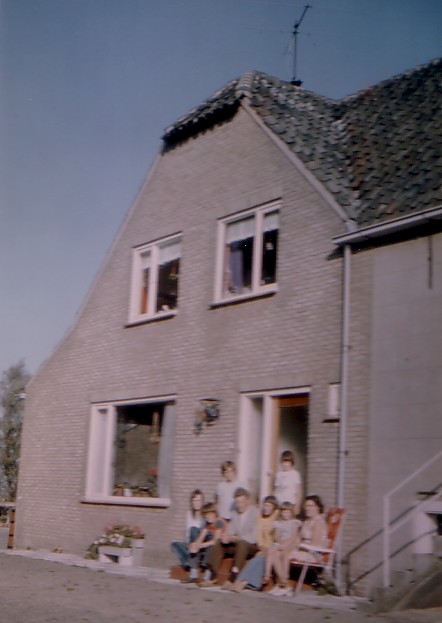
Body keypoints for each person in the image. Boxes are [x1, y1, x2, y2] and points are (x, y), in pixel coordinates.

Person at [200, 487, 258, 588]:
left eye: (241, 502)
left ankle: (232, 578)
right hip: (238, 545)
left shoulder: (255, 513)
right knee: (219, 542)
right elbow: (230, 530)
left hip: (251, 546)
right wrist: (226, 537)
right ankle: (212, 576)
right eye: (237, 502)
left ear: (247, 501)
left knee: (242, 543)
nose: (239, 505)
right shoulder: (234, 513)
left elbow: (254, 537)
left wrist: (236, 538)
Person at [230, 495, 279, 593]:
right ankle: (242, 581)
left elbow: (277, 538)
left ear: (274, 507)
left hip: (274, 548)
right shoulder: (260, 517)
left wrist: (268, 550)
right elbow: (259, 536)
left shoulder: (277, 517)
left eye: (269, 506)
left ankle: (243, 582)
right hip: (263, 548)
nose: (266, 508)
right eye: (265, 505)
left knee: (259, 559)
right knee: (257, 559)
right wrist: (262, 548)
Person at [182, 502, 226, 583]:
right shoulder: (208, 524)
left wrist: (201, 545)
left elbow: (215, 541)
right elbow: (201, 536)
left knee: (210, 547)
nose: (207, 517)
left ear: (214, 513)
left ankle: (207, 575)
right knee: (196, 544)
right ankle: (193, 574)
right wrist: (195, 545)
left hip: (220, 547)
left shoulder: (219, 522)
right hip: (211, 543)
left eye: (209, 514)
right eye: (206, 515)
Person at [266, 501, 301, 597]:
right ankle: (284, 584)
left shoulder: (294, 522)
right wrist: (279, 543)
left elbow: (293, 537)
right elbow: (277, 536)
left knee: (284, 553)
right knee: (274, 553)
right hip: (282, 543)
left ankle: (283, 582)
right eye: (284, 512)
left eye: (288, 512)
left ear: (291, 513)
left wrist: (284, 545)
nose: (286, 514)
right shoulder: (279, 523)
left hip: (291, 544)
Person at [170, 489, 205, 571]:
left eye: (199, 500)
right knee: (174, 544)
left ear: (202, 502)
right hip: (190, 544)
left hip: (199, 545)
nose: (196, 503)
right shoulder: (189, 514)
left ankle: (189, 563)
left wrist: (194, 544)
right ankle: (188, 563)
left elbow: (203, 535)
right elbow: (186, 533)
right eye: (194, 500)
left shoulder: (204, 516)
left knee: (194, 530)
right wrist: (187, 544)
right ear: (191, 502)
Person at [290, 494, 327, 563]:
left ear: (318, 507)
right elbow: (297, 538)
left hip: (313, 554)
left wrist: (300, 545)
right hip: (302, 550)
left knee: (284, 555)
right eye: (306, 506)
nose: (307, 508)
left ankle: (283, 574)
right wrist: (295, 528)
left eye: (310, 506)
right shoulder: (307, 521)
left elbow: (315, 545)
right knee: (277, 552)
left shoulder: (319, 522)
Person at [273, 450, 302, 515]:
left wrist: (297, 505)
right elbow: (276, 490)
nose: (285, 464)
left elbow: (298, 492)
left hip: (291, 504)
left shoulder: (295, 474)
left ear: (291, 462)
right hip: (280, 503)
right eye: (283, 461)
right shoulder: (279, 474)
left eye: (287, 462)